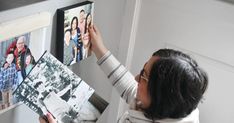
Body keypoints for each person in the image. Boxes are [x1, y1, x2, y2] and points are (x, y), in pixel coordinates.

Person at [39, 25, 208, 123]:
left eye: (143, 77)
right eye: (142, 71)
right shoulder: (178, 104)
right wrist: (100, 49)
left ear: (158, 96)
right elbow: (130, 88)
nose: (136, 78)